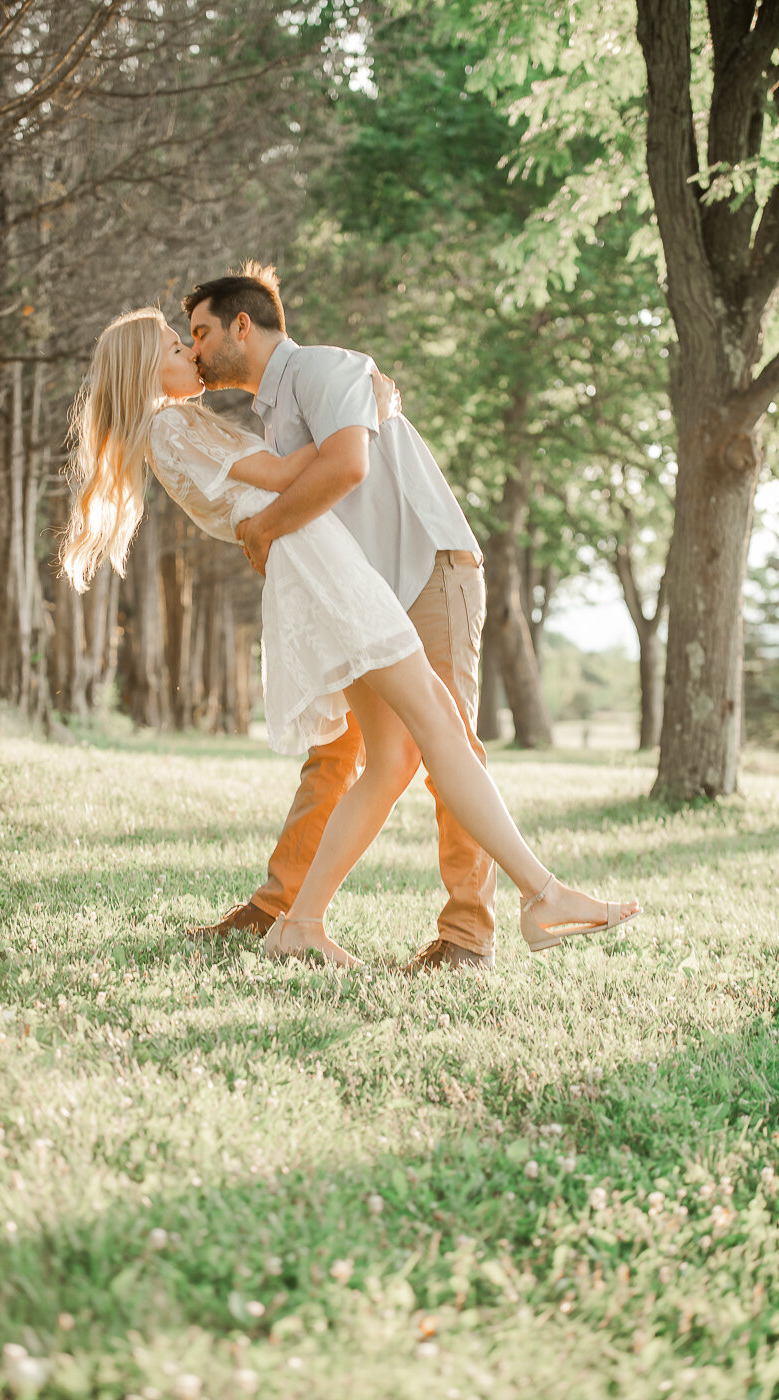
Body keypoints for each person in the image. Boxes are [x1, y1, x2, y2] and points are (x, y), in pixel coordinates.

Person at [60, 303, 641, 969]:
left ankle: (301, 921)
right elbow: (286, 477)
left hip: (321, 567)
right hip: (324, 571)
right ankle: (542, 893)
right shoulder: (169, 429)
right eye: (172, 348)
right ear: (142, 372)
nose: (189, 356)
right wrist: (365, 415)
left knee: (392, 759)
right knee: (440, 727)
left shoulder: (182, 426)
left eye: (189, 340)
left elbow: (276, 478)